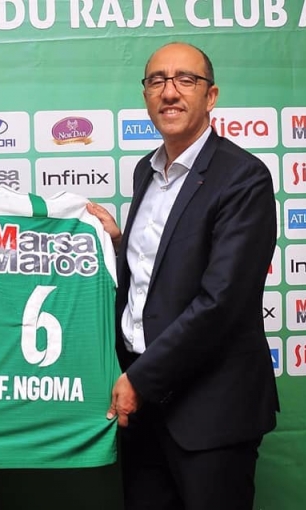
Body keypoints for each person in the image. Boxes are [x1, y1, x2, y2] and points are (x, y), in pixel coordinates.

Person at [87, 42, 279, 510]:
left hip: (210, 413)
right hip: (144, 409)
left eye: (185, 80)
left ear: (211, 96)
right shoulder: (145, 171)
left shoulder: (243, 177)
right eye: (157, 81)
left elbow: (222, 302)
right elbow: (163, 272)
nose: (169, 92)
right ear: (146, 95)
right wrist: (118, 246)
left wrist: (140, 380)